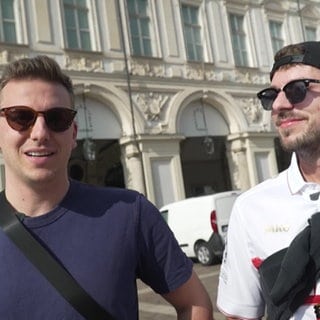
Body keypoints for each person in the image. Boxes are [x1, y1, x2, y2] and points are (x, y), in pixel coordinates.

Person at [0, 55, 213, 320]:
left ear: (74, 133)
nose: (40, 132)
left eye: (57, 119)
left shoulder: (129, 213)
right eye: (20, 117)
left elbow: (194, 303)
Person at [217, 40, 320, 320]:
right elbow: (240, 316)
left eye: (297, 90)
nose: (278, 105)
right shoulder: (251, 209)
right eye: (270, 95)